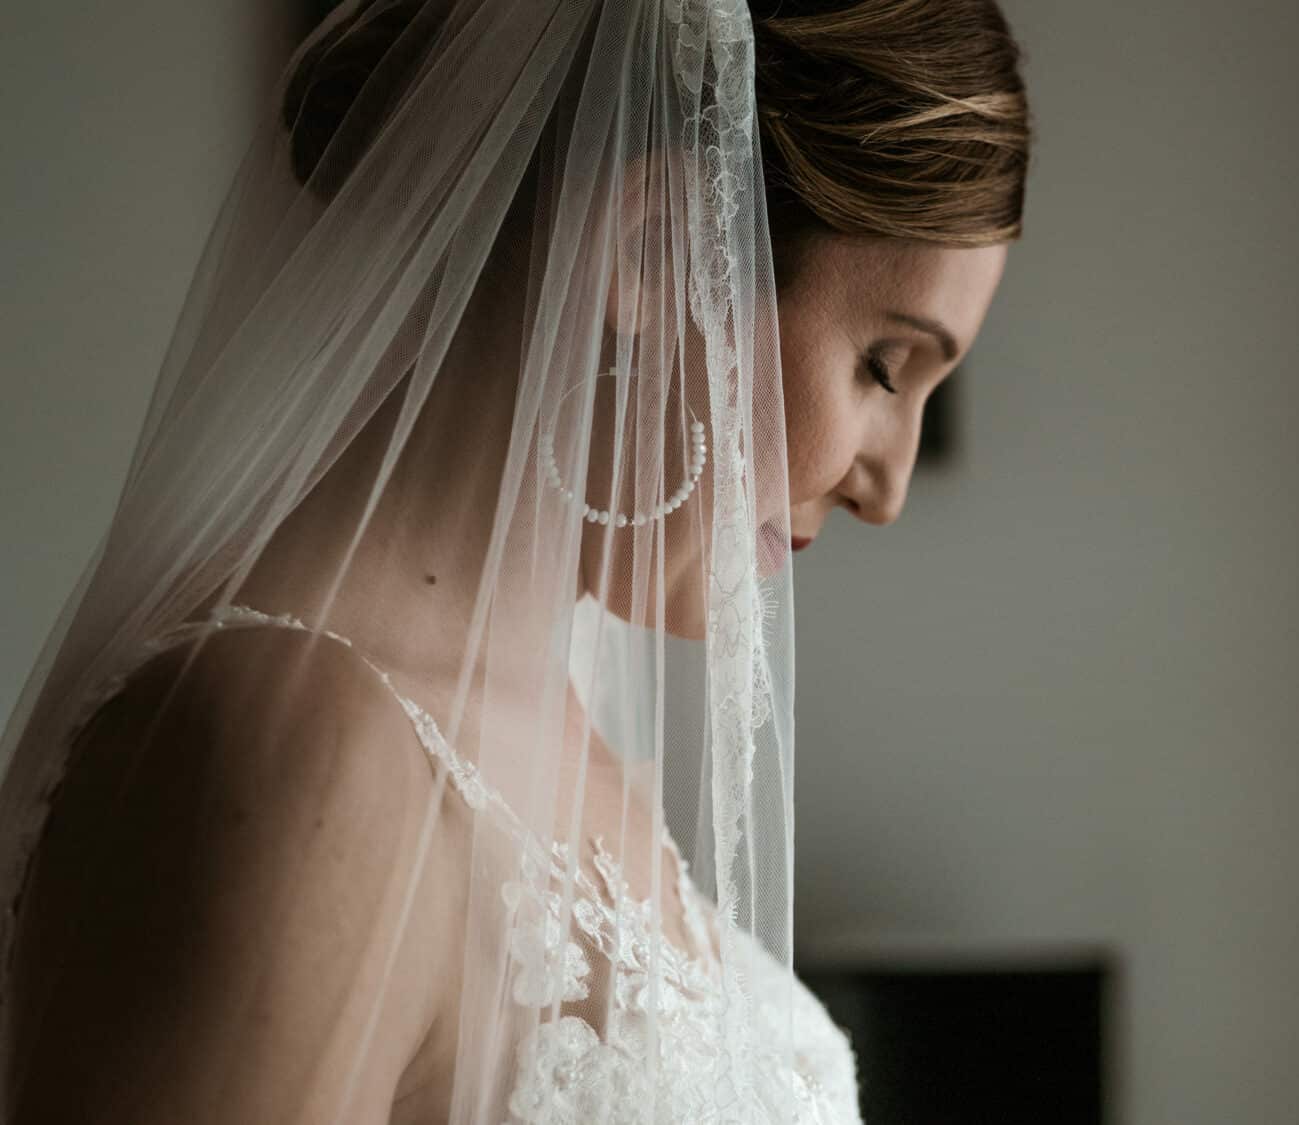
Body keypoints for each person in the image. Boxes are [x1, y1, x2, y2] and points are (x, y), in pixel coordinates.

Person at [0, 0, 1028, 1120]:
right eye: (884, 367)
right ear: (652, 253)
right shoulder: (298, 755)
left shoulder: (552, 712)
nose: (884, 487)